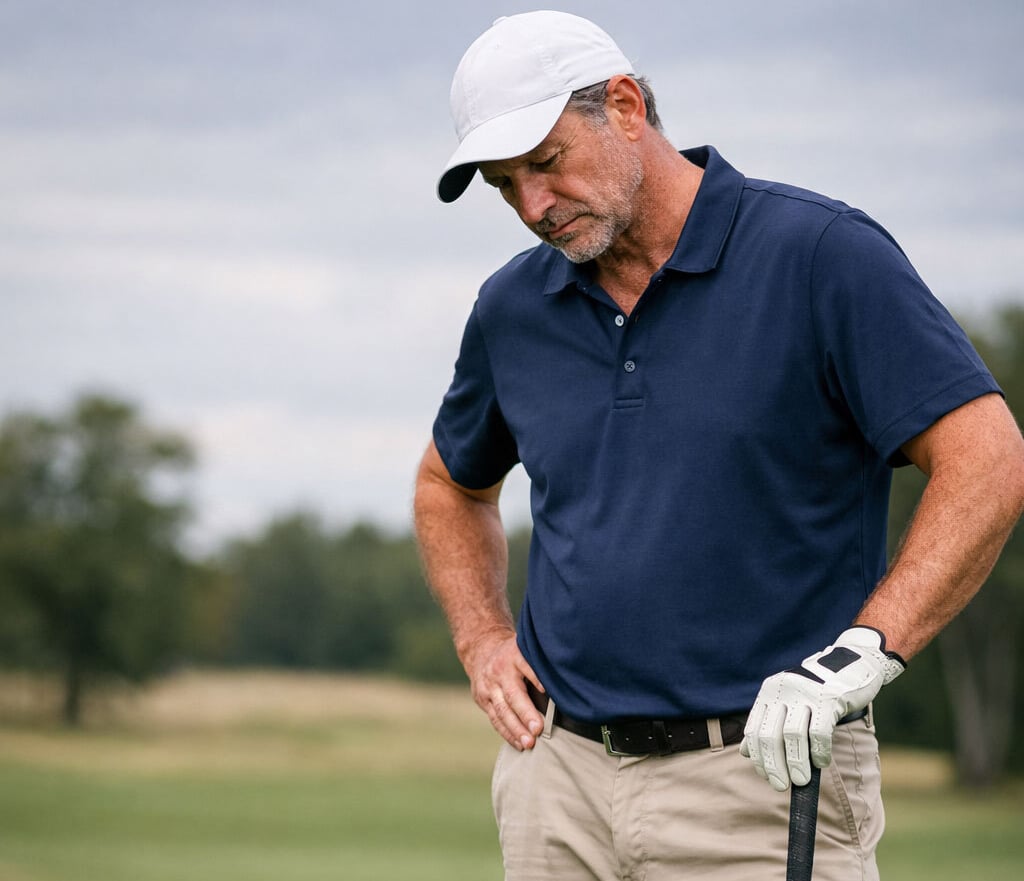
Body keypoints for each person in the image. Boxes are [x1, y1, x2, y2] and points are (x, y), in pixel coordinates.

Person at [413, 10, 1024, 881]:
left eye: (545, 165)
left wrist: (865, 651)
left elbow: (988, 457)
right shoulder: (513, 307)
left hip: (765, 785)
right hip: (559, 788)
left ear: (625, 106)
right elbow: (449, 484)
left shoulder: (819, 255)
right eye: (504, 186)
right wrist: (481, 638)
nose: (532, 207)